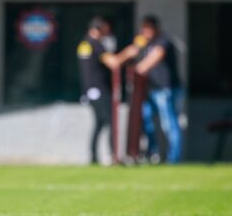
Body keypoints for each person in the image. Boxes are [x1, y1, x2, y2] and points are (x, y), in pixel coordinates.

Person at [77, 16, 138, 164]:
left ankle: (93, 157)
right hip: (99, 89)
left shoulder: (84, 44)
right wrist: (128, 53)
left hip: (91, 90)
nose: (106, 34)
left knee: (99, 123)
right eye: (104, 30)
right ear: (97, 30)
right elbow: (114, 63)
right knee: (110, 121)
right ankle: (113, 156)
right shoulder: (95, 44)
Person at [133, 15, 182, 163]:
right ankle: (152, 153)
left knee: (169, 124)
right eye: (143, 29)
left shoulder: (163, 40)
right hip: (151, 90)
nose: (144, 32)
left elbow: (156, 56)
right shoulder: (146, 43)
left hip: (165, 89)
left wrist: (139, 68)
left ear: (155, 28)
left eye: (147, 29)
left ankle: (173, 159)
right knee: (146, 119)